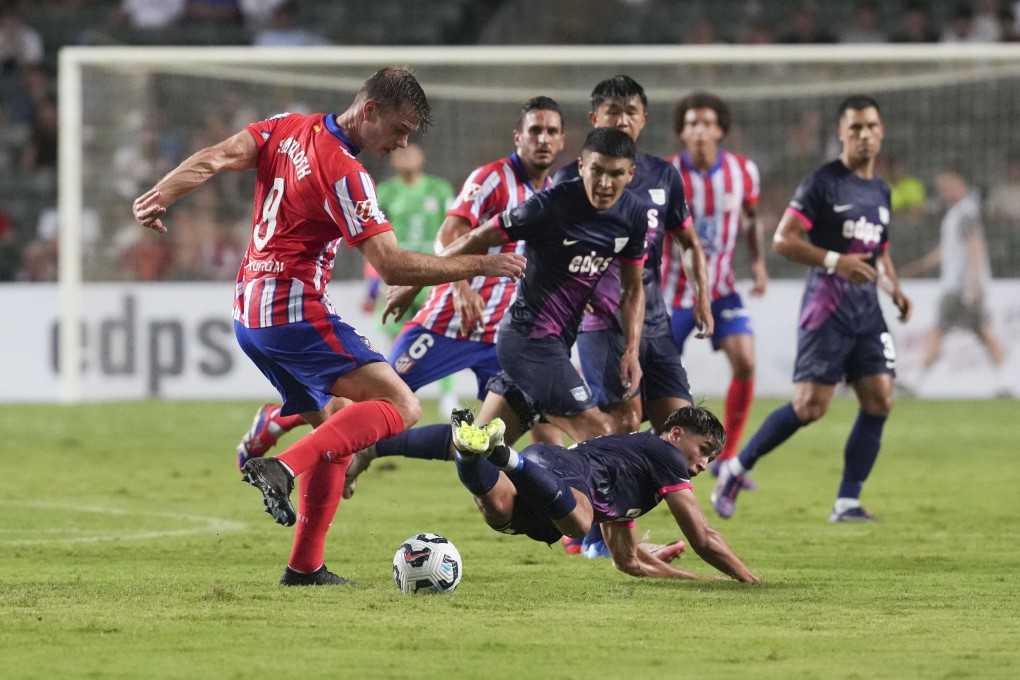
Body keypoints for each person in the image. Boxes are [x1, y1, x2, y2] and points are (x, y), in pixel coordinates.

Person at [131, 67, 527, 586]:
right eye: (400, 128)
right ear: (369, 111)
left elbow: (217, 157)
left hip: (248, 312)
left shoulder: (286, 127)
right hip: (292, 310)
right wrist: (480, 263)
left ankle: (304, 567)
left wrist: (161, 193)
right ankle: (284, 466)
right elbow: (390, 266)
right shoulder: (345, 172)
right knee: (402, 405)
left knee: (339, 427)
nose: (402, 143)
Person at [237, 96, 567, 495]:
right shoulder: (491, 179)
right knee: (376, 404)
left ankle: (567, 523)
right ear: (518, 136)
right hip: (447, 323)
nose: (543, 139)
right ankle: (282, 422)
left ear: (564, 141)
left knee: (535, 423)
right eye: (535, 130)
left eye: (551, 132)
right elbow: (448, 235)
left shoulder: (551, 192)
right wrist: (455, 287)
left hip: (501, 333)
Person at [712, 95, 913, 524]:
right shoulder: (822, 182)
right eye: (855, 127)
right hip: (827, 308)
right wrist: (835, 261)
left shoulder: (880, 190)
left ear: (882, 132)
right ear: (841, 133)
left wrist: (894, 289)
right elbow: (783, 239)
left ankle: (846, 502)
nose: (864, 134)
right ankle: (735, 466)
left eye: (871, 126)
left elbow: (879, 250)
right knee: (809, 406)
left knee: (880, 399)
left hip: (867, 310)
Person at [387, 127, 649, 448]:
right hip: (515, 338)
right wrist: (418, 283)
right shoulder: (542, 202)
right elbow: (468, 237)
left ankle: (391, 451)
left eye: (616, 174)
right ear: (582, 166)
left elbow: (631, 288)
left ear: (631, 174)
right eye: (597, 171)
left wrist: (631, 349)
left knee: (485, 450)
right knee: (601, 433)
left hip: (534, 339)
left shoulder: (634, 214)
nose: (605, 183)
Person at [552, 76, 711, 558]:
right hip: (602, 320)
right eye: (612, 110)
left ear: (643, 119)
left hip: (655, 317)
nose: (622, 118)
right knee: (621, 422)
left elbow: (687, 242)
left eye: (631, 111)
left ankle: (665, 532)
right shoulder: (570, 181)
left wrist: (702, 296)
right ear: (594, 119)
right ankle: (602, 537)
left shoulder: (665, 175)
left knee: (679, 426)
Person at [450, 404, 759, 583]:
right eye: (704, 450)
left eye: (711, 459)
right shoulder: (666, 454)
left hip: (546, 481)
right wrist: (750, 581)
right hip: (561, 469)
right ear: (676, 434)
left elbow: (628, 562)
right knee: (580, 523)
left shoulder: (634, 478)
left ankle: (466, 451)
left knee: (499, 513)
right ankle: (505, 457)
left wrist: (700, 581)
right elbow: (703, 538)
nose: (704, 464)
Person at [664, 92, 767, 479]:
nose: (700, 131)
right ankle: (658, 455)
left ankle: (728, 458)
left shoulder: (743, 171)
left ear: (720, 129)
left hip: (722, 288)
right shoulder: (667, 173)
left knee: (746, 360)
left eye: (707, 123)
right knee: (657, 382)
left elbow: (752, 217)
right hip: (673, 292)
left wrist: (757, 263)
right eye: (692, 124)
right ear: (682, 132)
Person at [900, 164, 1005, 370]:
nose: (944, 189)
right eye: (942, 185)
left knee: (939, 330)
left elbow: (975, 246)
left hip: (961, 286)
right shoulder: (955, 213)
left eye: (947, 184)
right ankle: (1007, 380)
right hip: (960, 286)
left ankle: (916, 379)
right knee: (982, 331)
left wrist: (974, 282)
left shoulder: (966, 212)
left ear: (959, 182)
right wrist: (917, 267)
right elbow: (946, 250)